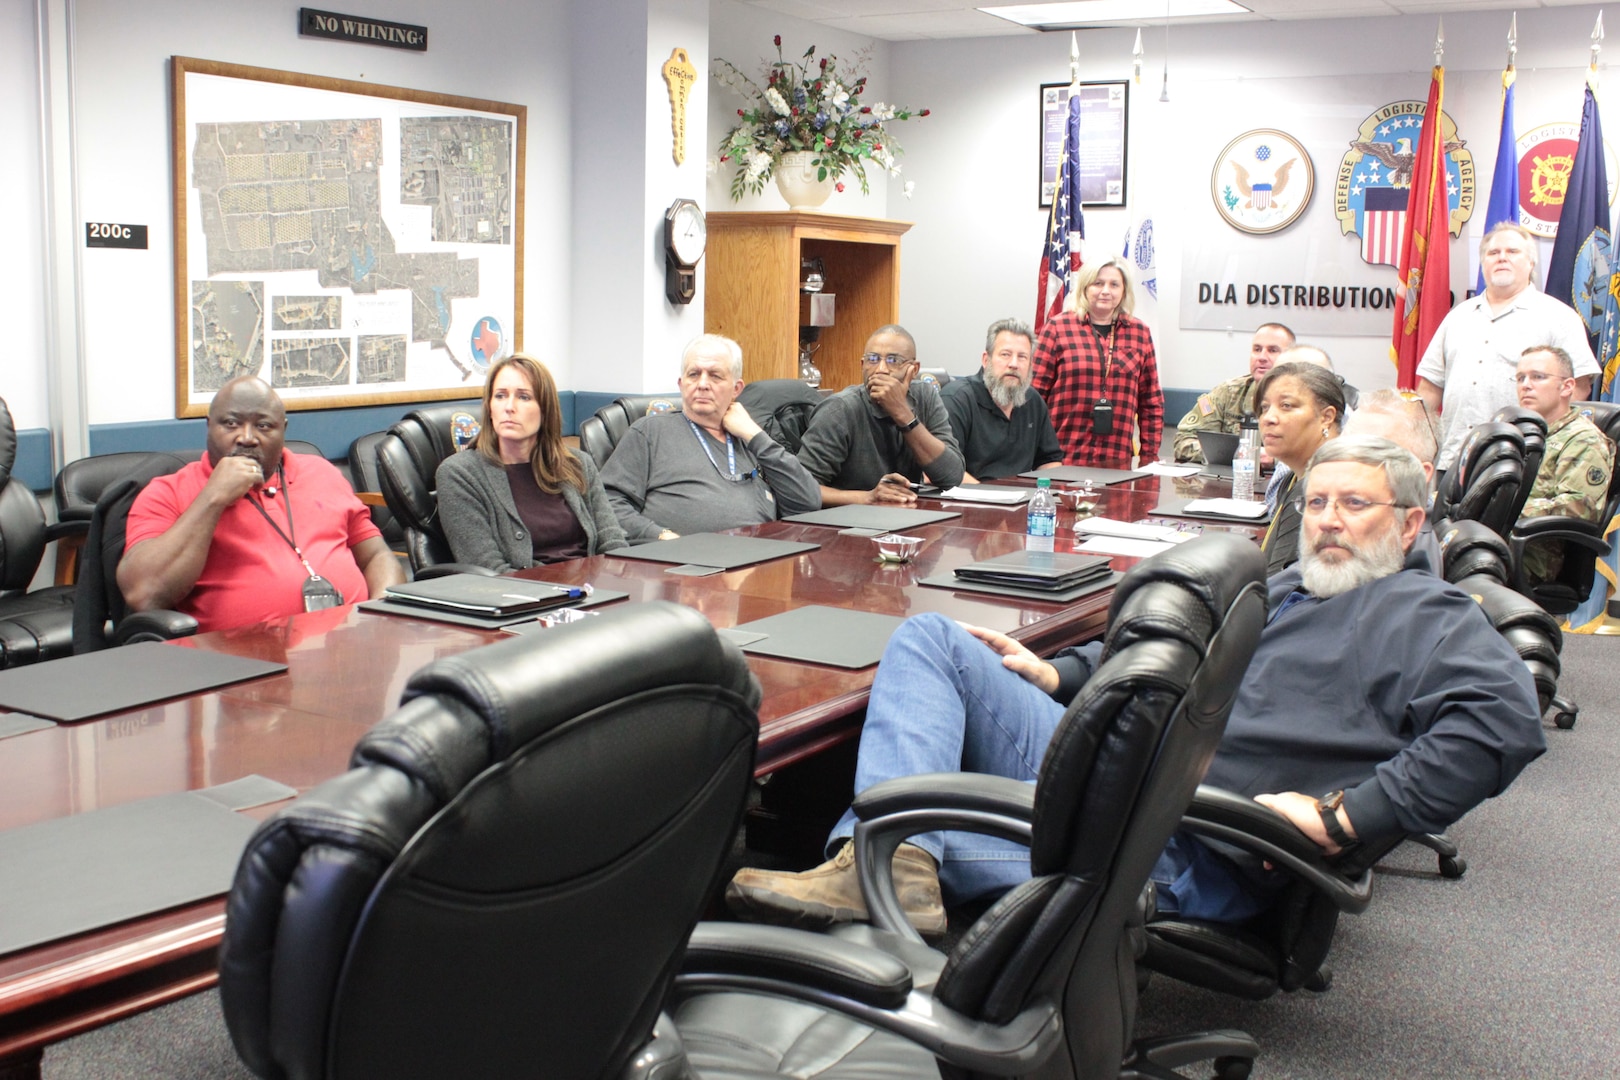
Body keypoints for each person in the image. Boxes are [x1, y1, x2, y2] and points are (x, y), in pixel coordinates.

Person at [724, 436, 1544, 934]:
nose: (1328, 519)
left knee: (871, 840)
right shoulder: (1292, 586)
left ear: (1407, 524)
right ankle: (893, 862)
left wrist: (1349, 815)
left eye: (1354, 505)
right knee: (935, 638)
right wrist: (1062, 669)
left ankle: (879, 860)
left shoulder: (1429, 616)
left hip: (1176, 840)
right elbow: (1166, 651)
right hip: (1122, 761)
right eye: (1319, 501)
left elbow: (1505, 723)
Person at [119, 376, 403, 633]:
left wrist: (379, 620)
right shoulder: (167, 492)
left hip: (348, 653)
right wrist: (212, 498)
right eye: (230, 423)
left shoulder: (322, 473)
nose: (246, 437)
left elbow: (377, 556)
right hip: (238, 668)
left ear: (283, 430)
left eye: (263, 425)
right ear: (209, 426)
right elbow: (145, 594)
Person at [1416, 222, 1600, 470]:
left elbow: (1577, 388)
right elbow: (1429, 389)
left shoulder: (1559, 317)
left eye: (1512, 252)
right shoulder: (1457, 317)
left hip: (1523, 463)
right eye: (1493, 253)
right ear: (1483, 264)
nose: (1502, 258)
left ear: (1531, 263)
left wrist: (1552, 452)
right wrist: (1417, 447)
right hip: (1453, 461)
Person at [601, 334, 821, 541]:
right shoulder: (650, 432)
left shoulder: (751, 440)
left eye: (715, 376)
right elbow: (606, 503)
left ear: (736, 389)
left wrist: (754, 435)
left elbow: (807, 503)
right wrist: (660, 536)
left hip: (755, 564)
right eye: (693, 374)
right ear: (681, 384)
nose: (702, 384)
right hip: (680, 567)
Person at [436, 354, 626, 571]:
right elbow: (489, 568)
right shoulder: (460, 474)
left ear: (545, 410)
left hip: (594, 589)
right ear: (489, 408)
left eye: (523, 397)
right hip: (524, 595)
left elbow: (612, 541)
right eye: (500, 396)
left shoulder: (578, 464)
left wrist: (621, 578)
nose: (509, 407)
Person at [794, 324, 965, 506]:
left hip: (904, 518)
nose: (881, 369)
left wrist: (904, 415)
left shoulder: (925, 397)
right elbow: (798, 488)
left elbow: (952, 477)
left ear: (914, 370)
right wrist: (867, 498)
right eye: (873, 359)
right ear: (862, 365)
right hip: (846, 522)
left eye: (893, 360)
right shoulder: (840, 410)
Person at [1032, 257, 1164, 468]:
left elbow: (1151, 403)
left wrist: (1148, 460)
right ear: (1085, 287)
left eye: (1114, 285)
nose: (1106, 291)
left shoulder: (1140, 333)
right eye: (1098, 283)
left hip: (1117, 460)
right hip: (1062, 458)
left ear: (1124, 291)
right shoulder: (1058, 328)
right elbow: (1034, 396)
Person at [1512, 345, 1615, 584]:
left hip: (1535, 554)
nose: (1526, 385)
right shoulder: (1521, 432)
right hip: (1498, 536)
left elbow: (1578, 508)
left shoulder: (1583, 440)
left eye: (1538, 377)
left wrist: (1507, 508)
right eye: (1520, 378)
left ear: (1567, 386)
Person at [940, 317, 1063, 481]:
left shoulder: (1033, 400)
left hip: (1022, 501)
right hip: (969, 501)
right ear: (986, 360)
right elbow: (941, 468)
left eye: (1022, 357)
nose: (1014, 364)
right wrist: (989, 499)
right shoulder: (957, 399)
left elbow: (1050, 461)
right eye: (1005, 355)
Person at [1254, 362, 1345, 574]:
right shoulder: (1294, 477)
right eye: (1265, 408)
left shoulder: (1324, 484)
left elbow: (1276, 585)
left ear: (1326, 417)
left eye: (1286, 406)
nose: (1268, 418)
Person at [1343, 388, 1444, 571]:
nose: (1349, 466)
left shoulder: (1400, 556)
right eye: (1344, 452)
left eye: (1371, 456)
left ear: (1420, 474)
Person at [1171, 323, 1294, 462]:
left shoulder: (1301, 399)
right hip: (1231, 478)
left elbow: (1313, 453)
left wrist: (1274, 461)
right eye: (1257, 349)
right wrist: (1233, 454)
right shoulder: (1227, 393)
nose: (1262, 357)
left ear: (1290, 357)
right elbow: (1183, 440)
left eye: (1272, 350)